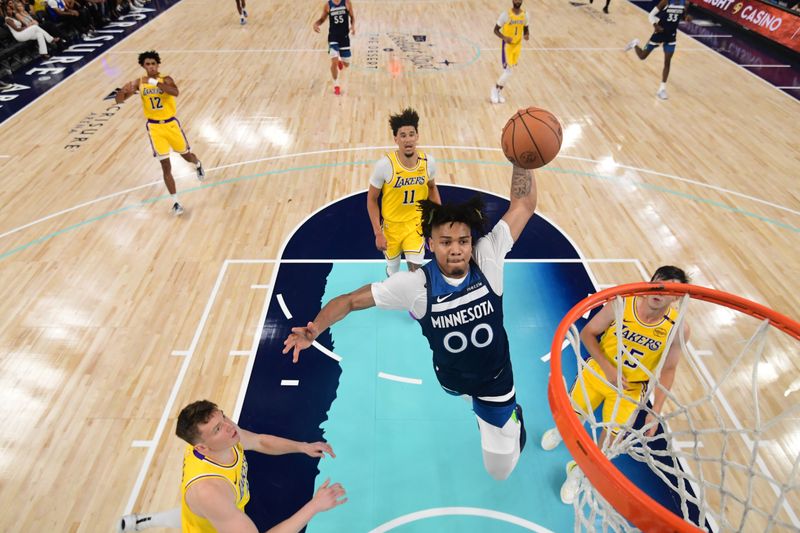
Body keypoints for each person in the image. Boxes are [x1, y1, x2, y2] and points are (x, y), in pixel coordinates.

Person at [284, 160, 539, 481]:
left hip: (494, 384)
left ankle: (513, 418)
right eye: (446, 242)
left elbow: (524, 204)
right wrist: (315, 328)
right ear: (431, 245)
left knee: (500, 471)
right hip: (452, 380)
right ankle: (477, 406)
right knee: (458, 390)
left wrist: (522, 160)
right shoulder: (415, 285)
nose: (457, 249)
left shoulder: (487, 255)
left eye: (463, 240)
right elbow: (349, 301)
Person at [540, 266, 691, 505]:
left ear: (677, 297)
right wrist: (608, 369)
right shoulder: (623, 304)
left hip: (630, 390)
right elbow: (589, 333)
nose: (660, 291)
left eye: (668, 288)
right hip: (599, 372)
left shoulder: (677, 328)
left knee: (608, 443)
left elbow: (668, 370)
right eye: (657, 283)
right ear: (649, 283)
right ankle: (560, 433)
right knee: (572, 414)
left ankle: (578, 471)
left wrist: (656, 412)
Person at [119, 400, 347, 532]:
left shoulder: (225, 438)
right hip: (214, 519)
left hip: (215, 512)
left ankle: (142, 520)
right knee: (203, 518)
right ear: (202, 449)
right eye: (217, 429)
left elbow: (259, 441)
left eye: (224, 418)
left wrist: (302, 447)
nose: (229, 427)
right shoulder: (210, 491)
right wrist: (315, 506)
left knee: (197, 515)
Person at [115, 51, 205, 216]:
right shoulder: (138, 83)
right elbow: (119, 100)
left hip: (171, 124)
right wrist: (122, 91)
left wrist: (153, 81)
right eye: (147, 64)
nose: (150, 66)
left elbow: (175, 92)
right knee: (165, 166)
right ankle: (176, 202)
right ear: (143, 66)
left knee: (186, 156)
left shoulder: (166, 79)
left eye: (153, 63)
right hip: (154, 128)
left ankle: (198, 164)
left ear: (158, 65)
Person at [367, 108, 441, 276]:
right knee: (393, 272)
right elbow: (372, 200)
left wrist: (439, 219)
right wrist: (378, 233)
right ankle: (391, 274)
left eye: (411, 134)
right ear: (395, 139)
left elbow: (431, 187)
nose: (408, 139)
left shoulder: (428, 162)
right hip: (391, 227)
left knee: (415, 273)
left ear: (417, 136)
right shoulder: (385, 166)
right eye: (403, 135)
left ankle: (413, 300)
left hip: (415, 224)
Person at [623, 0, 691, 100]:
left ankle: (662, 89)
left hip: (671, 36)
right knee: (642, 56)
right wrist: (655, 26)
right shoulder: (665, 2)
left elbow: (683, 16)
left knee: (667, 62)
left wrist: (686, 18)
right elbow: (651, 15)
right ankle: (635, 44)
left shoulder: (685, 3)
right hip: (659, 34)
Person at [312, 0, 355, 96]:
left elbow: (352, 17)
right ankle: (336, 85)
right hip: (333, 37)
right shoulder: (328, 5)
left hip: (344, 37)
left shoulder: (347, 3)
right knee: (334, 61)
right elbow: (322, 19)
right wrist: (316, 24)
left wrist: (353, 26)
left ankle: (341, 60)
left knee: (346, 64)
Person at [490, 0, 529, 105]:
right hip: (507, 46)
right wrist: (504, 37)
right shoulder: (505, 15)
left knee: (509, 72)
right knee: (508, 72)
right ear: (512, 1)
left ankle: (498, 92)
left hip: (517, 46)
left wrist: (526, 35)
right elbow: (495, 30)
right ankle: (494, 90)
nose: (517, 1)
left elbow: (526, 28)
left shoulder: (525, 15)